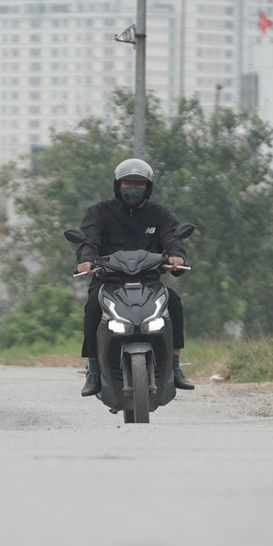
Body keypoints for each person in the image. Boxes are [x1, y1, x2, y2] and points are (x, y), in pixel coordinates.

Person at [74, 158, 194, 396]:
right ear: (117, 185)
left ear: (148, 187)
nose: (133, 188)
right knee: (93, 306)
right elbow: (88, 240)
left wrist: (176, 257)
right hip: (108, 281)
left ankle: (175, 365)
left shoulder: (160, 214)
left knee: (174, 302)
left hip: (149, 283)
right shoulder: (99, 212)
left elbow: (173, 239)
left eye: (139, 184)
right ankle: (94, 370)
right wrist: (86, 260)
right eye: (127, 183)